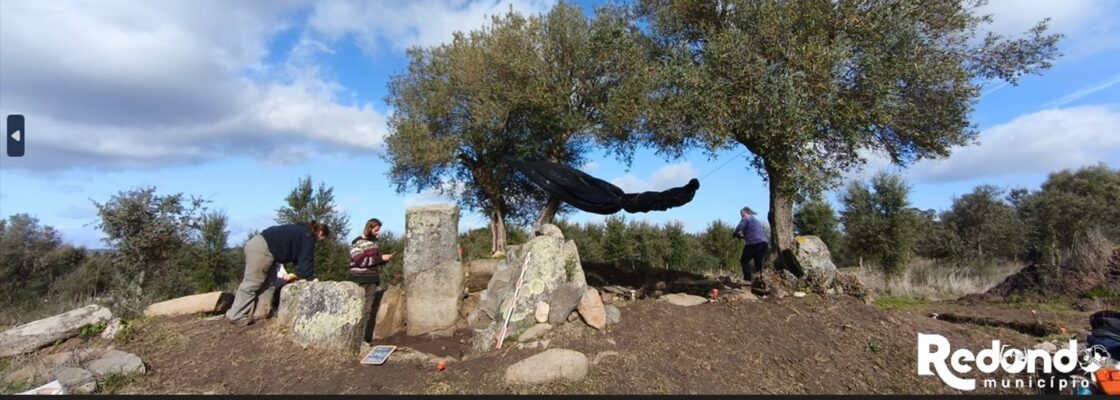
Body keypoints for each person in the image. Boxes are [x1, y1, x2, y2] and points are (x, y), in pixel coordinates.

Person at [226, 221, 329, 326]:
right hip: (262, 248)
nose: (320, 241)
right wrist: (311, 278)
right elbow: (306, 259)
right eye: (322, 239)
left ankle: (261, 313)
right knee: (252, 282)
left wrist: (304, 275)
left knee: (269, 283)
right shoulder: (308, 236)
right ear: (320, 233)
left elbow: (299, 260)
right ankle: (236, 315)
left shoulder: (301, 232)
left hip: (264, 248)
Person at [350, 218, 393, 343]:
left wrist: (384, 260)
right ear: (369, 228)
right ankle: (354, 338)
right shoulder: (356, 242)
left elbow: (374, 262)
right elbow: (362, 261)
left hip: (372, 280)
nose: (377, 233)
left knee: (368, 310)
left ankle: (364, 339)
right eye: (376, 230)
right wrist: (380, 258)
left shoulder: (374, 243)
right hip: (359, 279)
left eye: (378, 230)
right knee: (357, 309)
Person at [733, 206, 768, 283]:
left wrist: (735, 233)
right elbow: (752, 233)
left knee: (744, 260)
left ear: (746, 212)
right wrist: (741, 236)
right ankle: (760, 282)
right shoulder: (756, 221)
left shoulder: (746, 218)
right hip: (763, 244)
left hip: (753, 244)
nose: (741, 216)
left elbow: (739, 228)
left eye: (742, 214)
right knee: (758, 264)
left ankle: (747, 280)